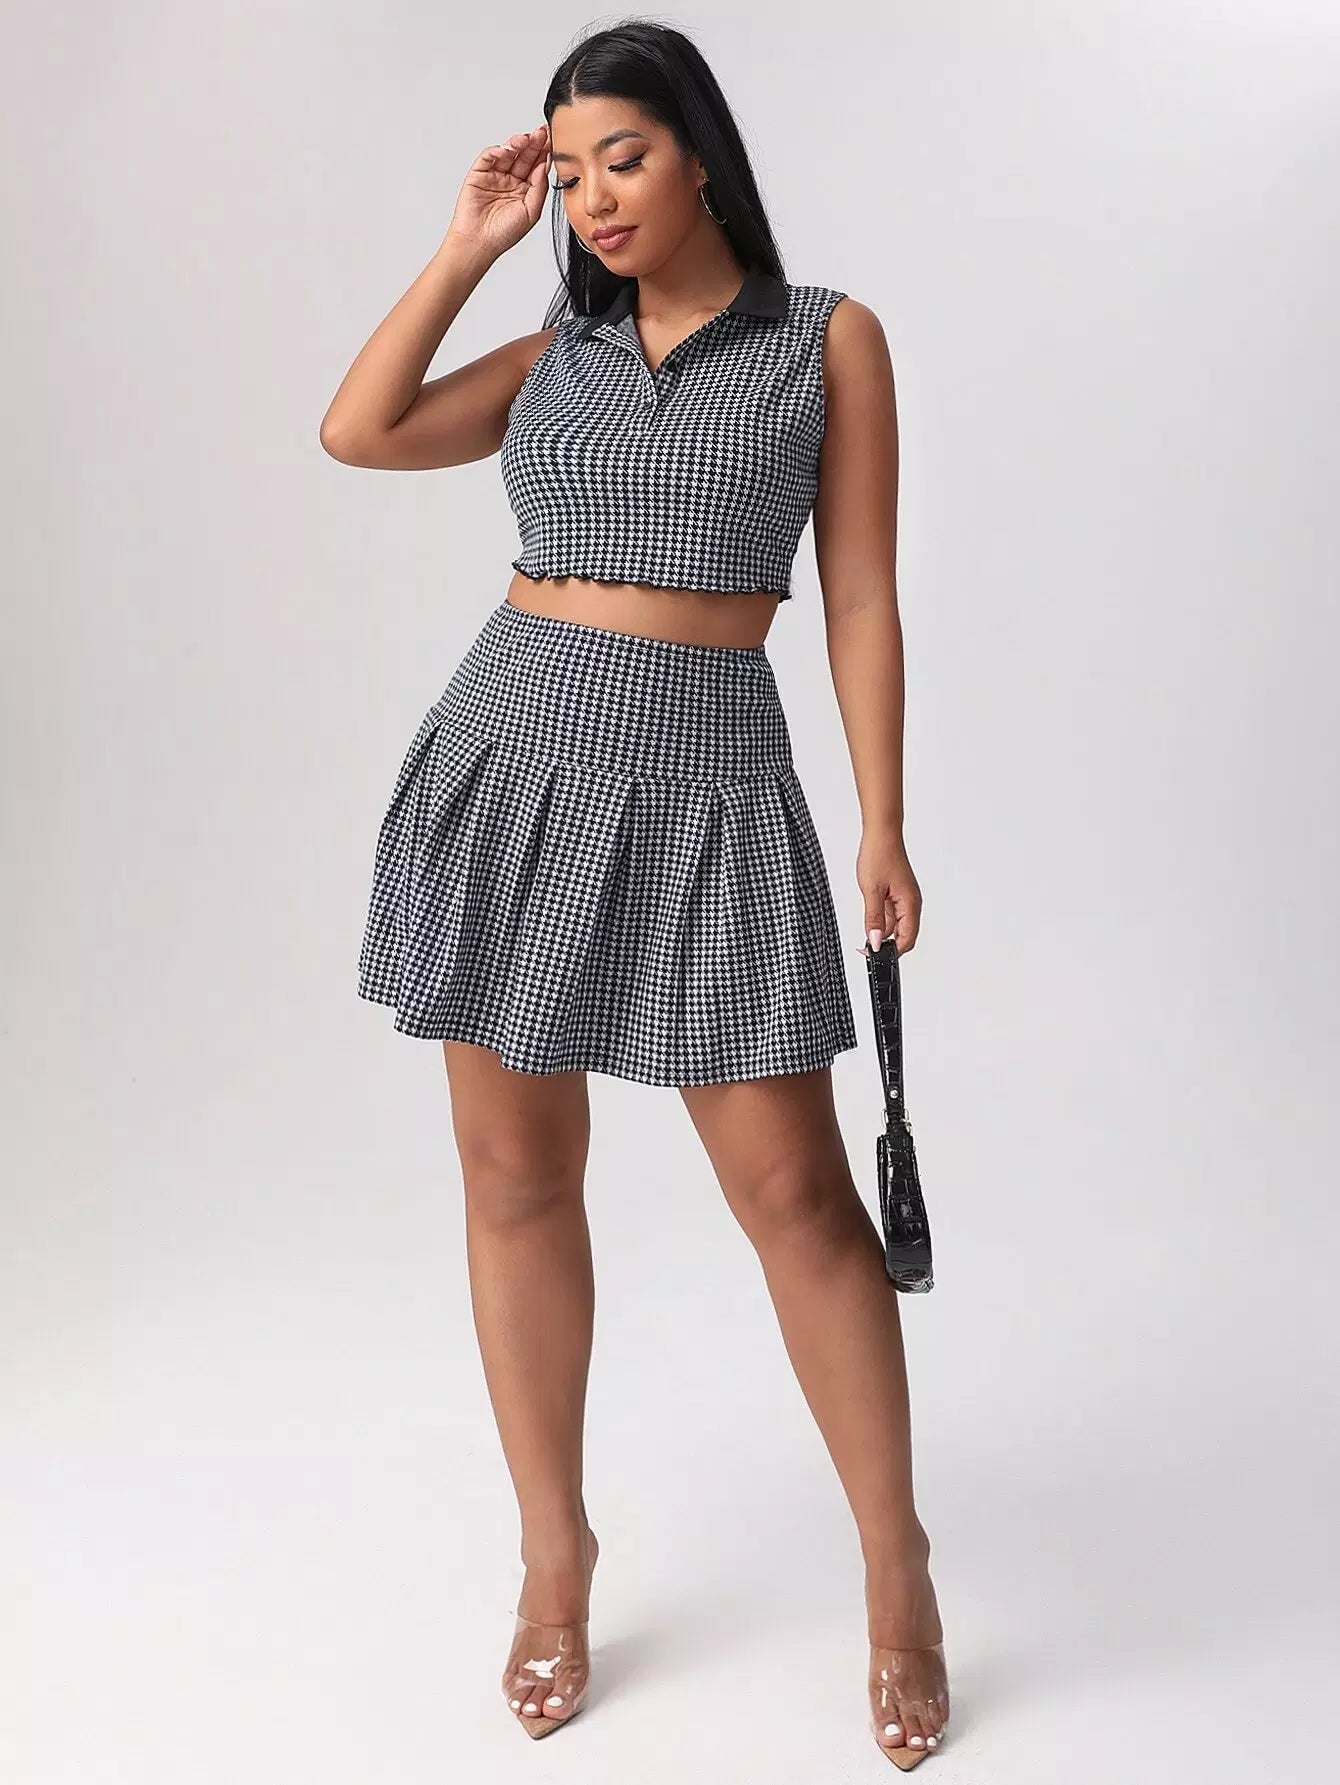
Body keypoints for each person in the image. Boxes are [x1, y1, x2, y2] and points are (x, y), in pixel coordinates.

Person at [320, 19, 948, 1770]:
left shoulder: (826, 340)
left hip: (704, 789)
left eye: (625, 158)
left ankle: (896, 1570)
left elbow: (860, 595)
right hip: (513, 759)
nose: (594, 197)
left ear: (700, 158)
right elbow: (358, 431)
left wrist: (883, 820)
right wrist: (470, 243)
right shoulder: (555, 351)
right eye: (569, 169)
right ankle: (554, 1554)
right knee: (515, 1176)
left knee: (798, 1197)